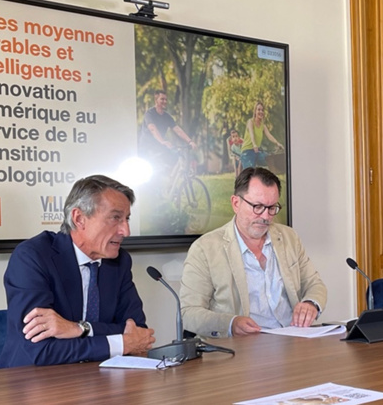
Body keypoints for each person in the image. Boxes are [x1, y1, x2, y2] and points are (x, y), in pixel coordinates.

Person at [0, 175, 156, 368]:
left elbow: (138, 332)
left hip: (98, 381)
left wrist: (79, 328)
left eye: (126, 219)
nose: (126, 231)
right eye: (115, 218)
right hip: (34, 385)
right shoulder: (33, 257)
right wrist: (120, 342)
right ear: (79, 218)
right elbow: (40, 350)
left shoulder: (119, 262)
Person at [179, 167, 327, 338]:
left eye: (272, 208)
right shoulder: (205, 248)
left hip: (293, 342)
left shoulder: (289, 238)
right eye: (257, 206)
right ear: (236, 203)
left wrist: (311, 303)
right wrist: (230, 323)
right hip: (239, 351)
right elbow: (189, 314)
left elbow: (315, 284)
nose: (266, 216)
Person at [138, 89, 197, 169]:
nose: (165, 101)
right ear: (156, 100)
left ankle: (169, 179)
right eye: (162, 99)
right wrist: (162, 141)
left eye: (166, 99)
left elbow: (178, 130)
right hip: (147, 148)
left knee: (173, 159)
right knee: (153, 170)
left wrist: (190, 141)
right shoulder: (150, 114)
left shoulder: (167, 117)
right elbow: (152, 129)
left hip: (158, 147)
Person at [239, 101, 284, 169]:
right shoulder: (250, 122)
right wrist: (254, 144)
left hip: (257, 152)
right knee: (249, 173)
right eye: (259, 109)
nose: (261, 112)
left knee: (270, 159)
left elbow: (269, 136)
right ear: (255, 111)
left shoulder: (263, 125)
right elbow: (251, 133)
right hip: (247, 152)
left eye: (262, 110)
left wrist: (277, 143)